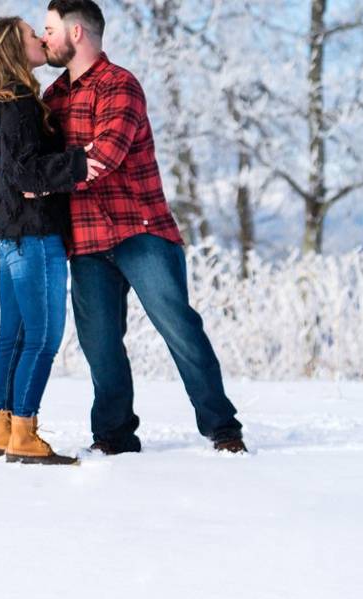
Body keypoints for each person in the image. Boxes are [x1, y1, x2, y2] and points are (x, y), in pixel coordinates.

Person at [39, 0, 248, 454]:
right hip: (86, 241)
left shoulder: (120, 85)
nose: (44, 38)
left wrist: (45, 175)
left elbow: (105, 156)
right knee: (100, 345)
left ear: (76, 33)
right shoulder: (52, 98)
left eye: (50, 29)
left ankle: (223, 429)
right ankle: (114, 437)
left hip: (141, 231)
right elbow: (34, 161)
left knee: (180, 328)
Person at [0, 16, 104, 464]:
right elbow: (25, 172)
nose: (41, 39)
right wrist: (79, 162)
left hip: (9, 234)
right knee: (43, 339)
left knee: (13, 336)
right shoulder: (22, 103)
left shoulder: (2, 99)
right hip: (34, 233)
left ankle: (1, 430)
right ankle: (24, 436)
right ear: (15, 48)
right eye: (34, 35)